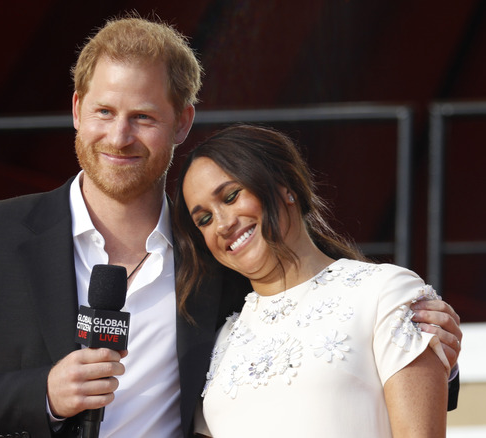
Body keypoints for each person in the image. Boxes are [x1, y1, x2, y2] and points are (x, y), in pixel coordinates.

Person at [0, 15, 462, 438]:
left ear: (183, 122)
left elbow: (315, 327)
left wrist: (428, 353)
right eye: (105, 112)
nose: (119, 136)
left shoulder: (217, 251)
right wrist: (43, 395)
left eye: (144, 117)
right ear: (78, 109)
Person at [172, 124, 453, 437]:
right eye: (204, 219)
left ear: (285, 185)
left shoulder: (385, 293)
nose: (222, 225)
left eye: (231, 196)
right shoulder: (219, 341)